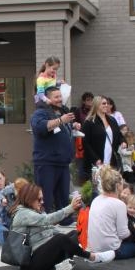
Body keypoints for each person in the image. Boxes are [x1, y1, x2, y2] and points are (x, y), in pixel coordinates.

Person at [10, 182, 114, 270]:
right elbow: (47, 220)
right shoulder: (23, 214)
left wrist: (66, 241)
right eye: (39, 199)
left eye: (42, 198)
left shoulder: (33, 210)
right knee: (60, 238)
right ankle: (92, 257)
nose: (42, 202)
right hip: (29, 262)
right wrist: (70, 208)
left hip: (40, 254)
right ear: (29, 198)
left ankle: (63, 263)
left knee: (73, 234)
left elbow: (49, 228)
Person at [30, 85, 79, 214]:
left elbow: (63, 128)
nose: (59, 99)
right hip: (47, 163)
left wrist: (73, 126)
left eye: (60, 96)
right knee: (45, 197)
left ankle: (64, 220)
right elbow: (40, 127)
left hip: (62, 163)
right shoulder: (40, 112)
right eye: (56, 97)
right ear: (47, 98)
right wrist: (60, 120)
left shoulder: (62, 111)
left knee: (63, 197)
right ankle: (44, 224)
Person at [87, 165, 135, 259]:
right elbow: (123, 234)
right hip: (112, 249)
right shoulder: (119, 204)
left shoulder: (96, 199)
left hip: (94, 247)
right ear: (118, 185)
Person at [81, 95, 123, 182]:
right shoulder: (89, 122)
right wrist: (95, 159)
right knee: (98, 186)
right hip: (97, 160)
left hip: (111, 158)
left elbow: (119, 135)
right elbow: (85, 142)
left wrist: (123, 142)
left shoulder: (112, 120)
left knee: (111, 185)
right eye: (103, 103)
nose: (106, 105)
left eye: (107, 103)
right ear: (97, 105)